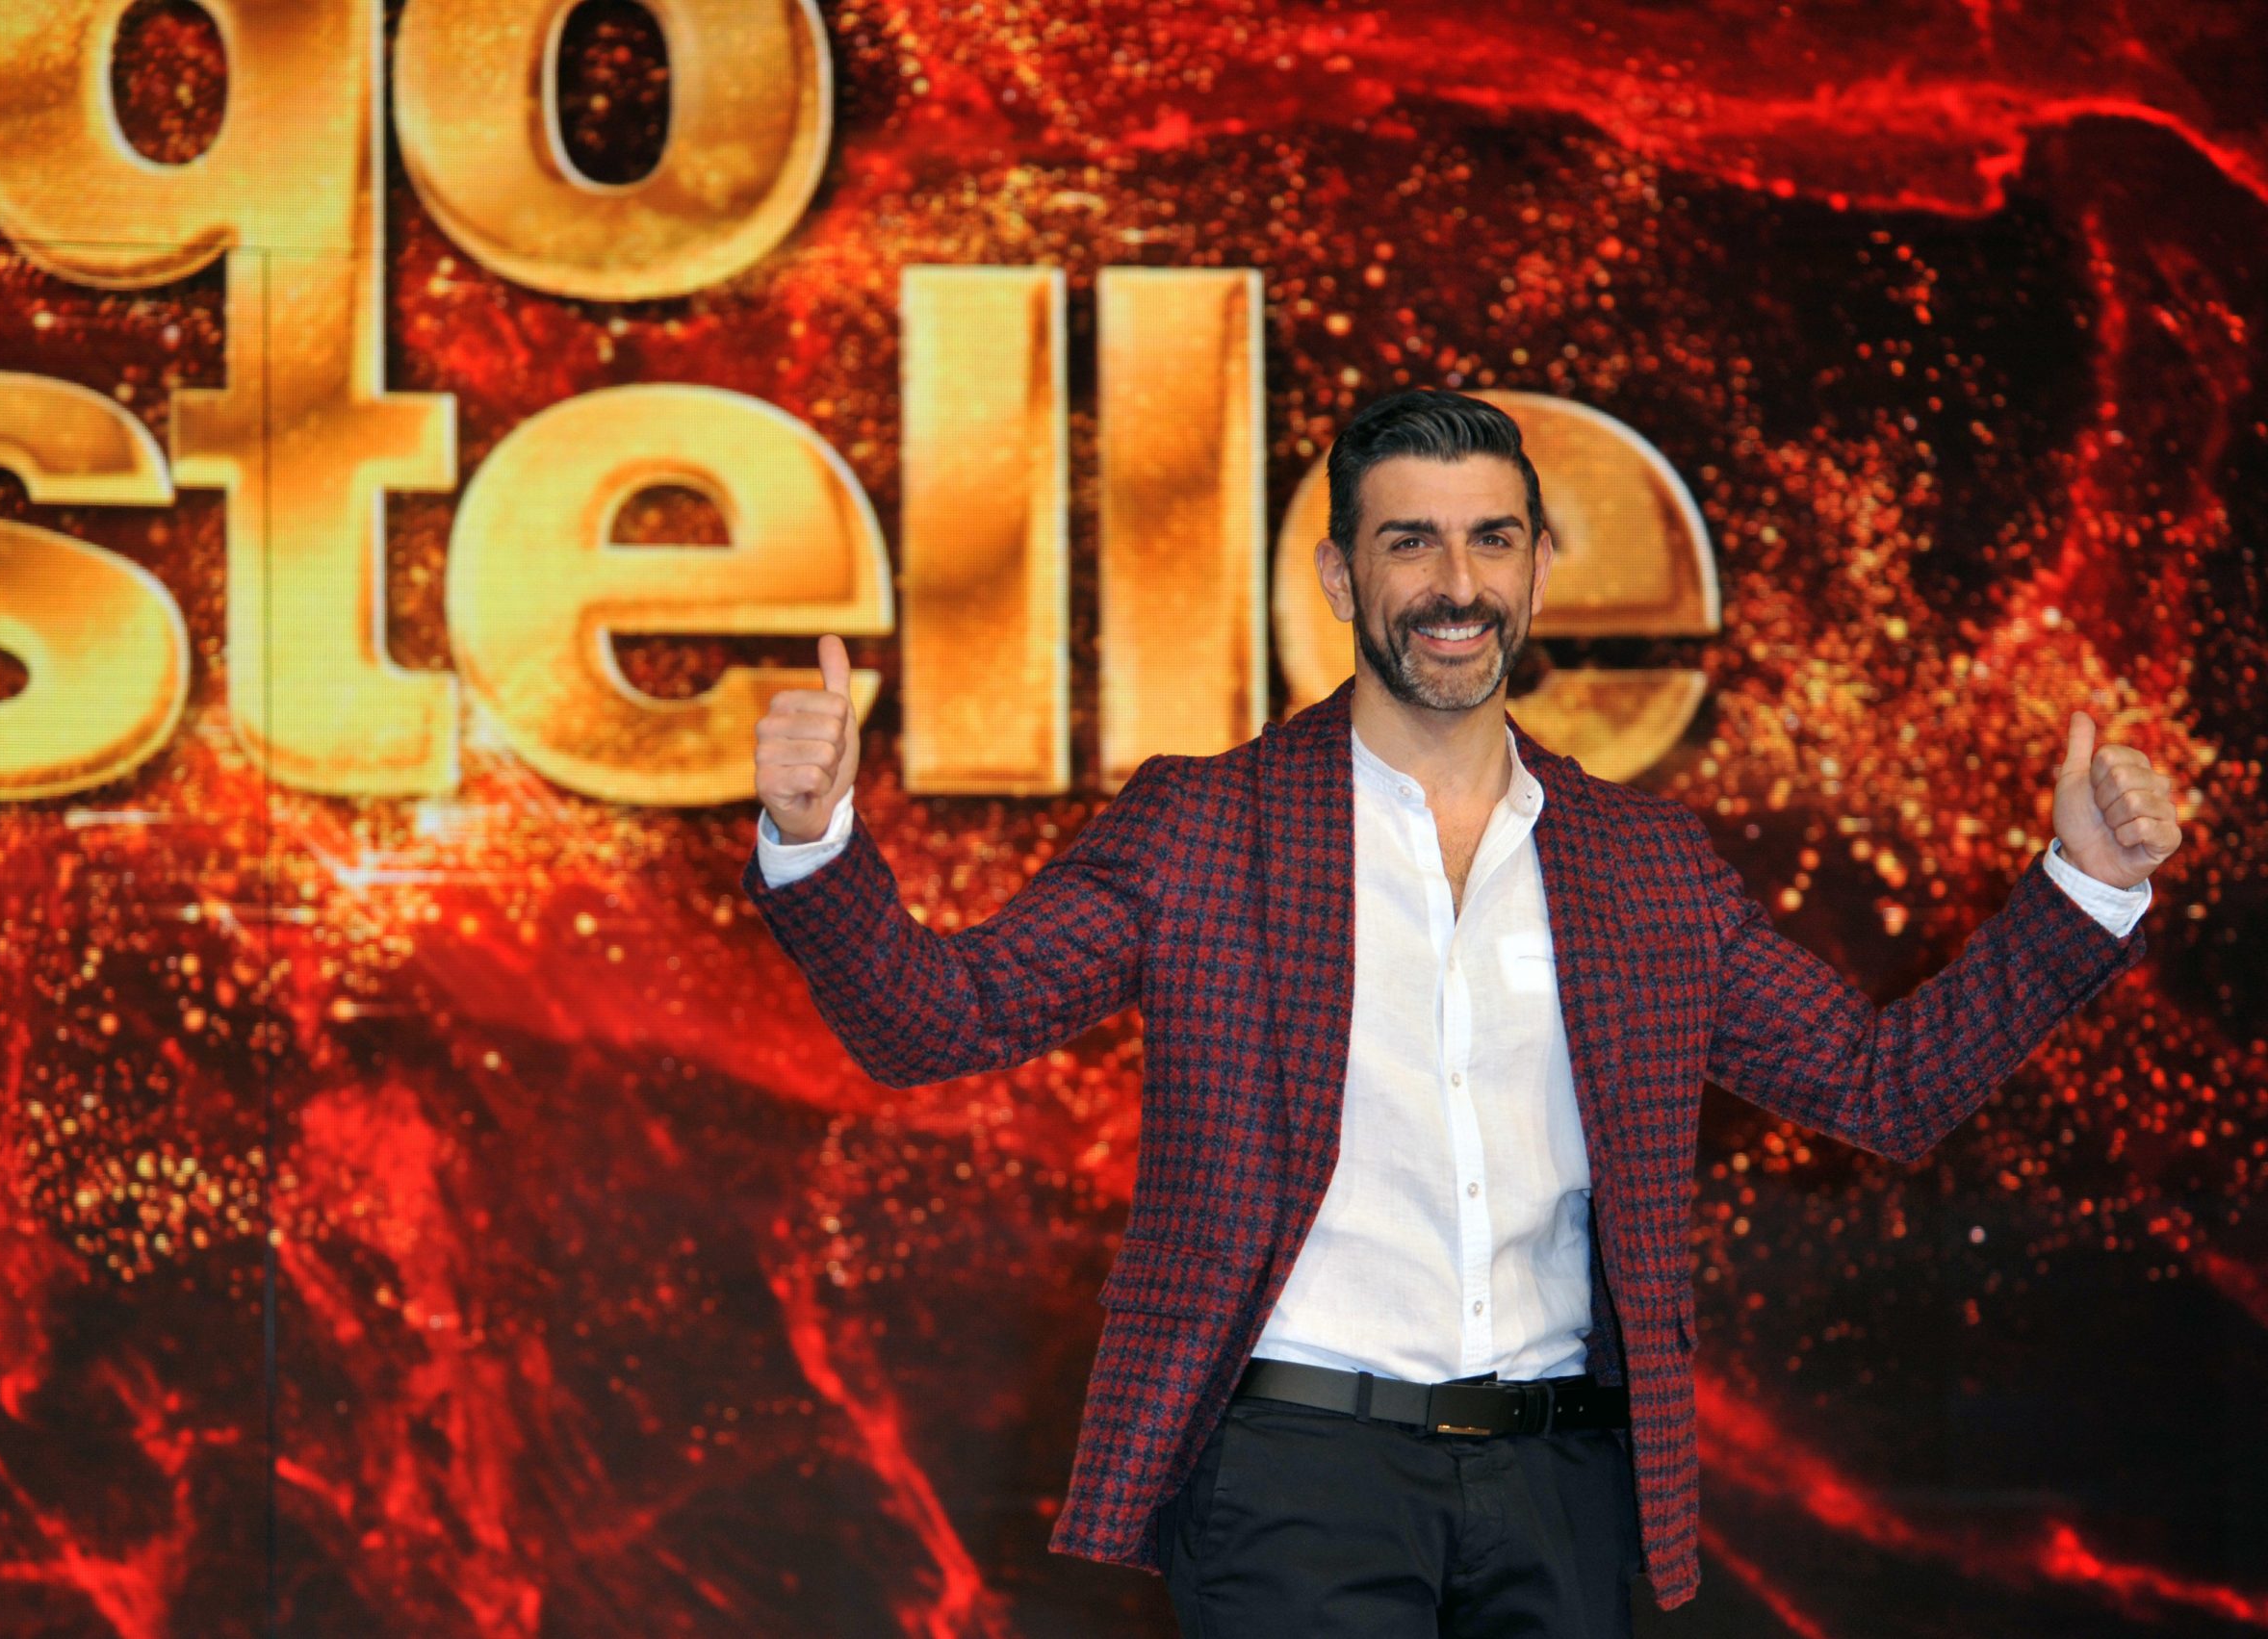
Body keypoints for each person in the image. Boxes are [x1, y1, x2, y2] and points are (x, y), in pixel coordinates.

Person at [741, 390, 2178, 1636]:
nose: (1455, 585)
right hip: (1298, 1477)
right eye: (1410, 542)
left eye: (1492, 540)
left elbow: (1881, 1085)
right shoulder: (1207, 828)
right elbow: (938, 1020)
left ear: (1541, 567)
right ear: (1338, 574)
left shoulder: (1641, 865)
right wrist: (814, 838)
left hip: (1560, 1483)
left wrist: (2085, 891)